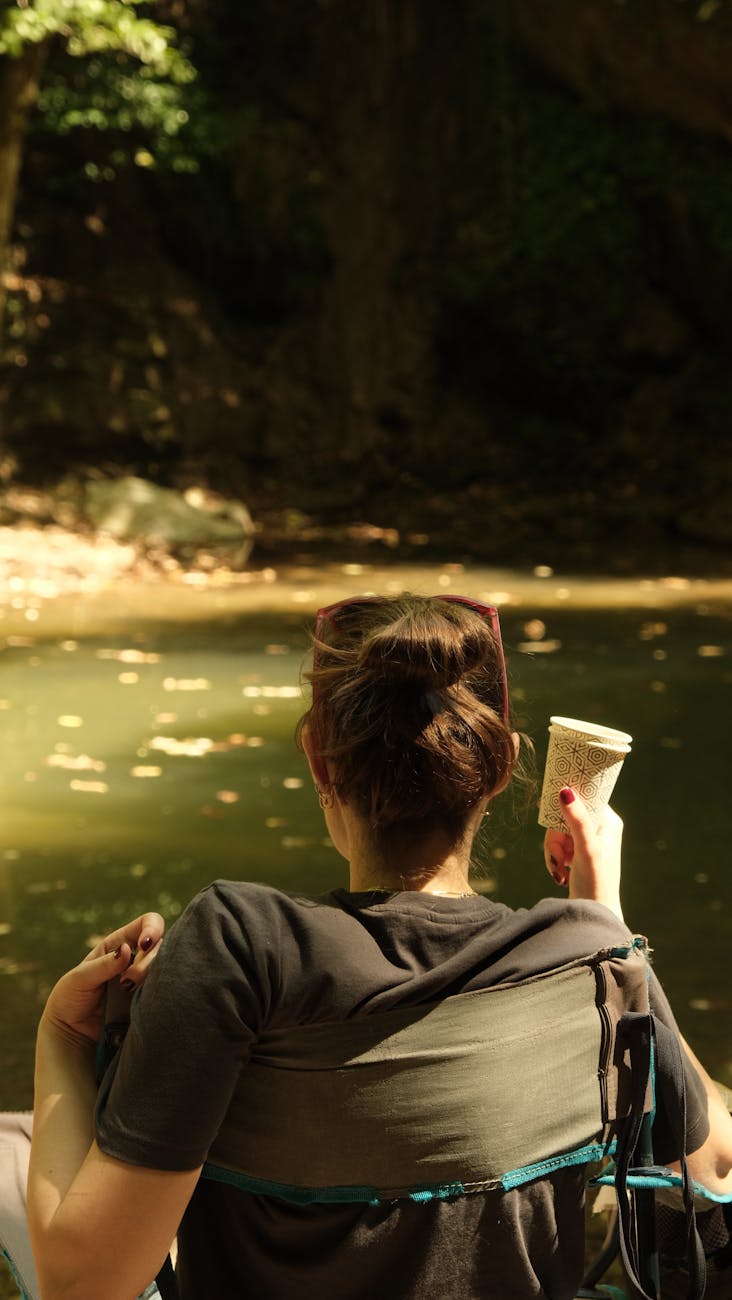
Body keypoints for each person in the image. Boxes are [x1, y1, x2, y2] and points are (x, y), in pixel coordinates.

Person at [23, 593, 732, 1300]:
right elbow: (716, 1168)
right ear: (505, 766)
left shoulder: (237, 948)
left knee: (9, 1149)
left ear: (319, 761)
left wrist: (61, 1034)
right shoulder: (586, 956)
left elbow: (83, 1284)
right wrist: (609, 928)